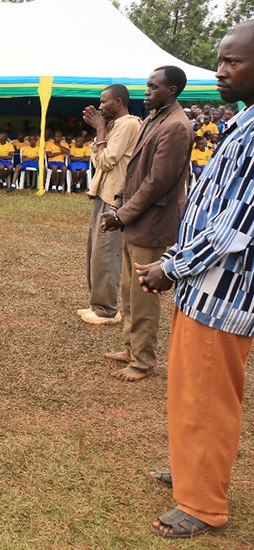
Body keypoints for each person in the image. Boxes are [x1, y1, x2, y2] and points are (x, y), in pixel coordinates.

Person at [136, 21, 254, 539]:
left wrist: (171, 267)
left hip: (224, 292)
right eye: (220, 60)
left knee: (207, 396)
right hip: (203, 286)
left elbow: (236, 226)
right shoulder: (244, 122)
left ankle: (203, 504)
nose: (220, 70)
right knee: (190, 389)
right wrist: (177, 261)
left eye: (233, 61)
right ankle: (191, 468)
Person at [100, 66, 193, 382]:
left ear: (172, 91)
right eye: (147, 85)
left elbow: (157, 182)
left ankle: (142, 361)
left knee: (143, 296)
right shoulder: (154, 118)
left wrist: (122, 215)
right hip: (137, 218)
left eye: (154, 87)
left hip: (152, 222)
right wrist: (119, 204)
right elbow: (135, 171)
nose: (147, 91)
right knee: (128, 291)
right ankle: (131, 349)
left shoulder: (176, 126)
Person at [77, 84, 141, 326]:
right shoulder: (115, 125)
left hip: (115, 198)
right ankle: (98, 304)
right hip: (102, 193)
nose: (100, 106)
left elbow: (106, 160)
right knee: (96, 252)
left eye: (104, 101)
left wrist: (100, 129)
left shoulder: (129, 124)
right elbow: (97, 158)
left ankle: (107, 309)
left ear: (118, 102)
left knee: (107, 254)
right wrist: (101, 133)